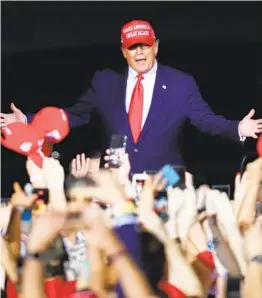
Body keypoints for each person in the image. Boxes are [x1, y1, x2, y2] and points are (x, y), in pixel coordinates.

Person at [1, 20, 262, 174]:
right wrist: (29, 119)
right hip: (118, 183)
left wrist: (237, 127)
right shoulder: (104, 81)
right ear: (123, 51)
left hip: (164, 181)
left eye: (145, 46)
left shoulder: (180, 83)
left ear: (156, 46)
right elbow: (73, 115)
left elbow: (205, 120)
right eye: (132, 47)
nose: (139, 53)